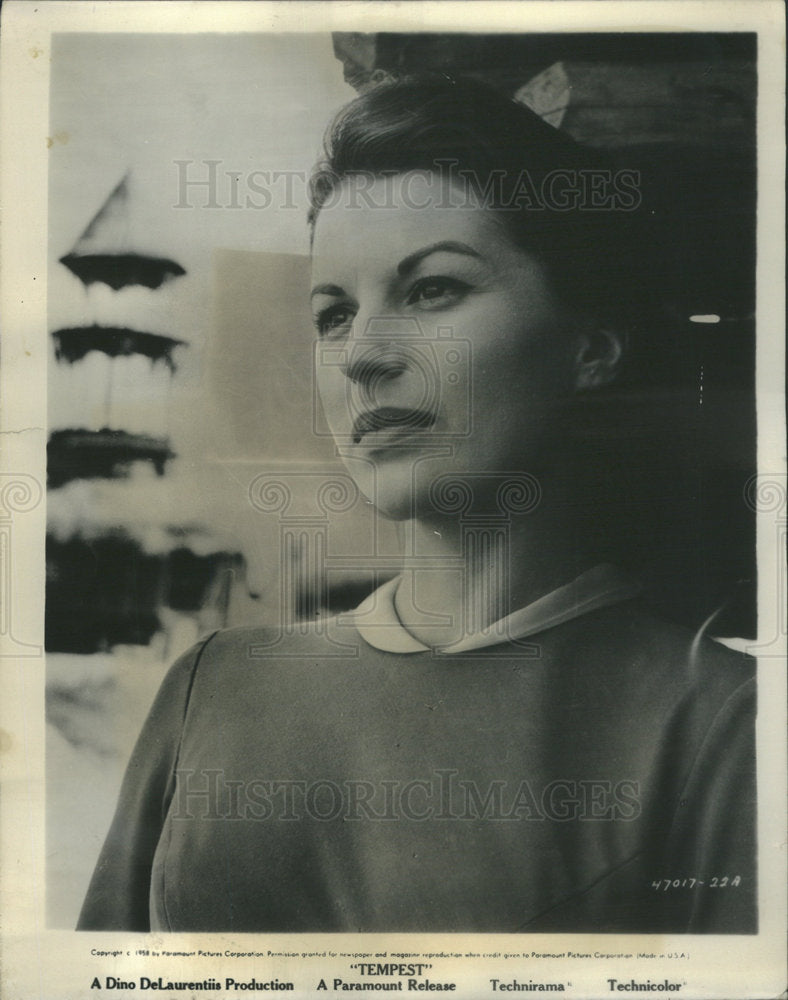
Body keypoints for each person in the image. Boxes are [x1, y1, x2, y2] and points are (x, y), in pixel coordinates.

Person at [78, 75, 756, 934]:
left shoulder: (722, 724)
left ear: (591, 348)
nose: (362, 355)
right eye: (332, 314)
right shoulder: (211, 688)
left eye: (433, 289)